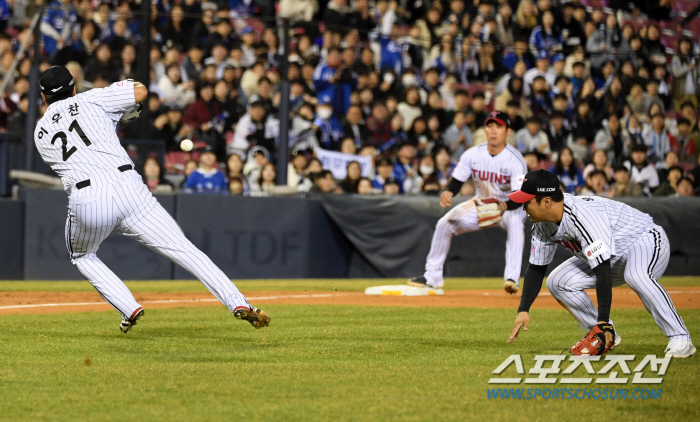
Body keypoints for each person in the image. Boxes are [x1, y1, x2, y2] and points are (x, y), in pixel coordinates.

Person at [32, 66, 269, 331]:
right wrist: (117, 116)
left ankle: (128, 307)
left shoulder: (39, 134)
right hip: (129, 188)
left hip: (88, 197)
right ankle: (238, 302)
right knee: (185, 249)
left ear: (43, 98)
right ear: (74, 87)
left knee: (82, 255)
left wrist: (112, 119)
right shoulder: (93, 98)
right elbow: (141, 91)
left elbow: (76, 151)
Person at [506, 169, 695, 358]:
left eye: (527, 201)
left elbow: (602, 268)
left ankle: (680, 338)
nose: (523, 207)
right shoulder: (541, 226)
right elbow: (537, 268)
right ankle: (604, 334)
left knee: (636, 275)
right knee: (558, 282)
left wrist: (602, 319)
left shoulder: (582, 216)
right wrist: (523, 310)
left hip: (644, 240)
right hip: (612, 256)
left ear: (546, 201)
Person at [408, 112, 527, 294]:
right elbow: (457, 180)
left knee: (515, 223)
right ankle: (432, 277)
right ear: (484, 129)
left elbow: (520, 195)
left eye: (499, 126)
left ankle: (511, 278)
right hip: (482, 203)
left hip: (510, 205)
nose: (493, 131)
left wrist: (503, 206)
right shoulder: (473, 154)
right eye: (490, 126)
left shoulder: (515, 159)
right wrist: (448, 192)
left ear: (507, 131)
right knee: (444, 224)